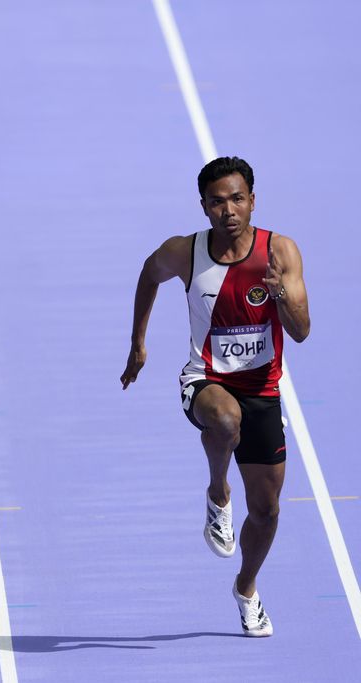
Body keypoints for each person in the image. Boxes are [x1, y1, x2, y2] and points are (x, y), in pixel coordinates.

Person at [121, 156, 310, 636]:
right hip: (206, 381)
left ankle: (246, 588)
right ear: (204, 206)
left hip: (263, 389)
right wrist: (138, 342)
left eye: (237, 199)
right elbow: (148, 273)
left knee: (266, 512)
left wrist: (280, 296)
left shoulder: (279, 251)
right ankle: (217, 492)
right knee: (225, 421)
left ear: (252, 200)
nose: (229, 210)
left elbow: (302, 332)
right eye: (218, 201)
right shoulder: (185, 252)